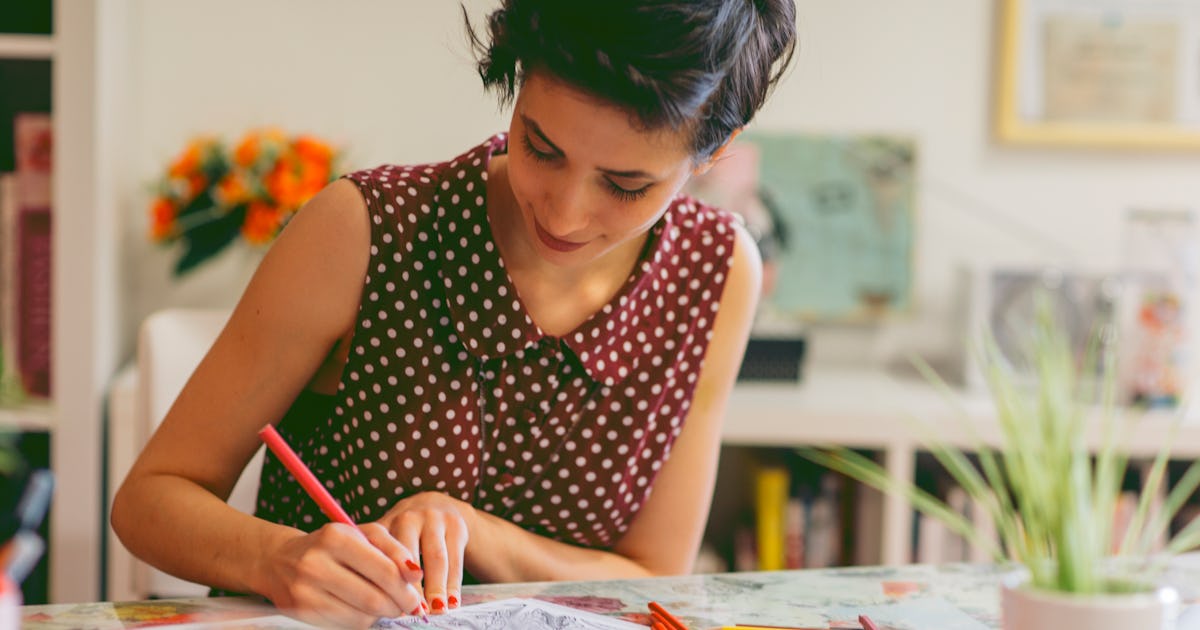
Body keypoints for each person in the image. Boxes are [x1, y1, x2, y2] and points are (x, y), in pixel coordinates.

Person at [112, 1, 796, 627]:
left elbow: (655, 575)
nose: (563, 212)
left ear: (718, 150)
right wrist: (275, 558)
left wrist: (471, 528)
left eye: (625, 185)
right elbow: (150, 500)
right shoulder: (368, 229)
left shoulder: (716, 270)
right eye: (541, 146)